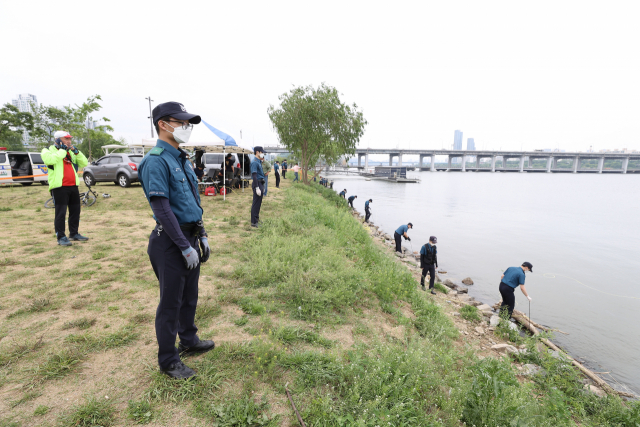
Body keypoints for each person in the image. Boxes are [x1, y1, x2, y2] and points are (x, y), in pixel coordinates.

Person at [138, 101, 214, 380]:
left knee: (189, 296)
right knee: (170, 302)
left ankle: (189, 340)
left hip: (191, 236)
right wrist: (183, 245)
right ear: (163, 124)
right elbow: (162, 208)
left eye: (187, 123)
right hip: (170, 242)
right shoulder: (155, 160)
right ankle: (168, 360)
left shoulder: (180, 157)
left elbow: (192, 201)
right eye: (181, 122)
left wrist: (201, 235)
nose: (186, 127)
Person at [41, 131, 89, 246]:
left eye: (70, 139)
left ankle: (74, 233)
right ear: (57, 139)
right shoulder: (47, 150)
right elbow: (50, 160)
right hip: (59, 187)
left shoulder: (70, 152)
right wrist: (62, 150)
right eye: (66, 139)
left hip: (73, 186)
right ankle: (61, 237)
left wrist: (76, 152)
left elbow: (84, 162)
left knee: (75, 212)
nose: (69, 141)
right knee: (60, 213)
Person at [250, 146, 266, 227]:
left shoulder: (259, 161)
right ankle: (253, 222)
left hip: (261, 183)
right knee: (256, 203)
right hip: (257, 183)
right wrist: (257, 187)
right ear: (257, 152)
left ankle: (257, 218)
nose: (262, 154)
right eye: (261, 152)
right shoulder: (254, 162)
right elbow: (254, 176)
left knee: (259, 203)